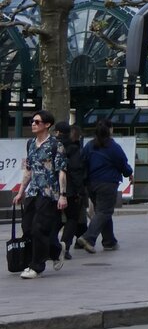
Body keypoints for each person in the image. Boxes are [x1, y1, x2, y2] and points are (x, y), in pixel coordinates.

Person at [13, 110, 67, 278]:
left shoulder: (55, 145)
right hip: (32, 192)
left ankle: (36, 266)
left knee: (39, 228)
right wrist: (21, 191)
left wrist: (63, 195)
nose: (33, 124)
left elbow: (62, 171)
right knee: (28, 228)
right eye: (32, 122)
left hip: (49, 193)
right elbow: (29, 169)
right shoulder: (30, 143)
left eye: (37, 122)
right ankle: (56, 250)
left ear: (47, 125)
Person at [77, 120, 132, 254]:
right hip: (108, 183)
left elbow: (82, 163)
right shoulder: (114, 147)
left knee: (102, 211)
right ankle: (88, 238)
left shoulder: (89, 146)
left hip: (91, 184)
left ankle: (109, 241)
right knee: (104, 212)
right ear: (110, 130)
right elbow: (122, 164)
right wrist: (129, 173)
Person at [54, 121, 89, 260]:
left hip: (52, 189)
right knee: (72, 218)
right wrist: (80, 190)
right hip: (69, 190)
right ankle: (65, 246)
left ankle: (50, 246)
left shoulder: (51, 145)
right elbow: (75, 171)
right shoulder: (73, 149)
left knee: (55, 219)